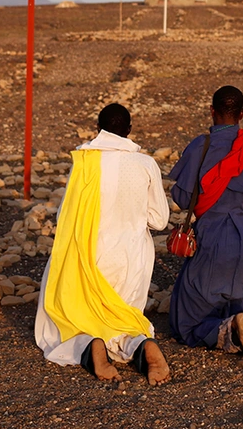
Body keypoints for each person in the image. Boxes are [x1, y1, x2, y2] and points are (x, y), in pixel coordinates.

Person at [35, 103, 171, 385]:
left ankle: (88, 345)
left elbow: (65, 216)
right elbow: (159, 221)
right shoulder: (145, 164)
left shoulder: (86, 162)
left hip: (91, 256)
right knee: (124, 320)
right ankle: (140, 345)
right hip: (132, 258)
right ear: (129, 131)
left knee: (67, 324)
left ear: (98, 129)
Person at [168, 86, 243, 363]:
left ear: (212, 111)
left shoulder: (200, 146)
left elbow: (181, 196)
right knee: (237, 295)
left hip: (213, 234)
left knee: (186, 321)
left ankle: (227, 330)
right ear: (242, 114)